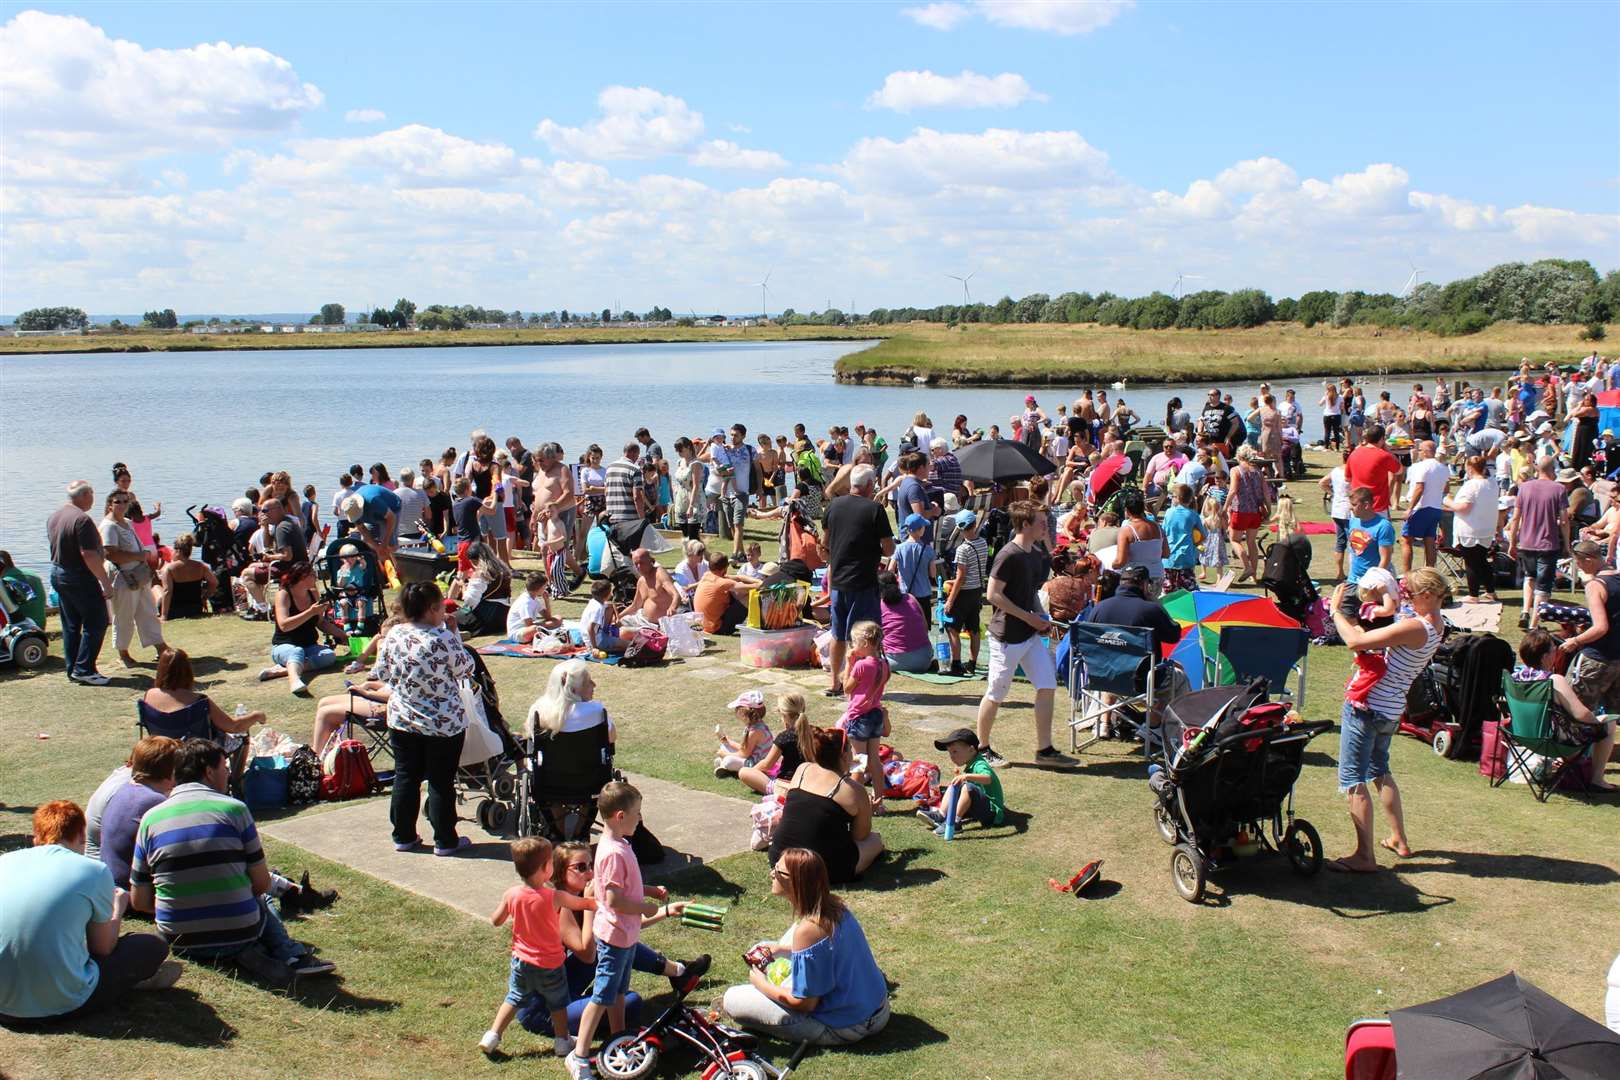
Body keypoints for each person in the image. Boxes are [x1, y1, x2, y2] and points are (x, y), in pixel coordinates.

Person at [130, 739, 333, 982]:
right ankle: (289, 954)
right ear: (208, 772)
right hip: (240, 933)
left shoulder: (150, 820)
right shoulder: (235, 810)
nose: (228, 773)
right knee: (262, 896)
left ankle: (258, 954)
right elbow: (259, 884)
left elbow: (139, 900)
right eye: (224, 767)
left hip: (179, 939)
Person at [0, 801, 175, 1022]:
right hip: (63, 1002)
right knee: (152, 946)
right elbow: (102, 948)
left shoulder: (4, 862)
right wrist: (117, 908)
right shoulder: (93, 870)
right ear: (82, 835)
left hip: (4, 1006)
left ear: (36, 838)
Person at [1328, 568, 1447, 872]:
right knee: (1380, 770)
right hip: (1391, 708)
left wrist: (1335, 612)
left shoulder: (1416, 627)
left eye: (1411, 595)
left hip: (1367, 707)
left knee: (1353, 779)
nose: (1407, 599)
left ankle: (1364, 856)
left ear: (1429, 596)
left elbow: (1357, 641)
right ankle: (1398, 839)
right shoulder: (1437, 624)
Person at [721, 847, 889, 1046]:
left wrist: (760, 983)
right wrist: (782, 950)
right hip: (878, 1009)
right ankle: (783, 982)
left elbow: (805, 1004)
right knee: (765, 946)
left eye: (779, 872)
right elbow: (828, 952)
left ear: (797, 882)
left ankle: (773, 988)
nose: (771, 874)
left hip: (849, 1027)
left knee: (732, 999)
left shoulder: (808, 930)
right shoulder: (834, 906)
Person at [566, 781, 668, 1080]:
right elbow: (612, 899)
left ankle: (619, 1037)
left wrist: (648, 890)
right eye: (637, 813)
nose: (640, 818)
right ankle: (580, 1054)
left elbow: (624, 886)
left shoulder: (620, 845)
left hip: (624, 936)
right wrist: (646, 908)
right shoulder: (612, 852)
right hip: (614, 936)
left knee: (618, 992)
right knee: (602, 995)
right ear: (620, 816)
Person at [373, 581, 474, 856]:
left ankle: (403, 835)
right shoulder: (441, 639)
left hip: (403, 719)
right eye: (441, 606)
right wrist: (454, 635)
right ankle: (445, 839)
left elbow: (382, 673)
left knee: (406, 777)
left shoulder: (394, 635)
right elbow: (466, 668)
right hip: (442, 723)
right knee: (441, 781)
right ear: (432, 609)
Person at [974, 500, 1075, 768]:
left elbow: (1030, 592)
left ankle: (1045, 749)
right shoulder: (1009, 554)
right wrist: (1028, 617)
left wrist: (1042, 617)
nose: (1046, 525)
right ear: (1026, 524)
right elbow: (992, 595)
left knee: (1047, 684)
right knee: (996, 693)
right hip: (1006, 638)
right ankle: (982, 748)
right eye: (1041, 521)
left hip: (1029, 636)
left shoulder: (1035, 553)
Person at [479, 836, 597, 1058]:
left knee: (514, 997)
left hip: (522, 963)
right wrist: (593, 897)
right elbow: (585, 904)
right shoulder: (555, 896)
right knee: (558, 1002)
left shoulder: (512, 894)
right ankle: (562, 1041)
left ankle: (493, 1035)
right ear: (546, 868)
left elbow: (496, 920)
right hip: (551, 964)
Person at [769, 727, 884, 883]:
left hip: (779, 858)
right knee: (875, 840)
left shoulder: (803, 769)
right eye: (850, 749)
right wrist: (867, 811)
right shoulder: (854, 790)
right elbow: (860, 836)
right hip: (823, 869)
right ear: (844, 755)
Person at [821, 465, 895, 696]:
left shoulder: (833, 506)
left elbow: (825, 543)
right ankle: (858, 684)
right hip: (863, 582)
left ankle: (835, 682)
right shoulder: (874, 509)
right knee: (864, 637)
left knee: (838, 635)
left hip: (838, 582)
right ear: (871, 485)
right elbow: (889, 548)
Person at [1514, 629, 1616, 792]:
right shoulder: (1554, 680)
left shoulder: (1516, 678)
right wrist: (1597, 720)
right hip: (1554, 741)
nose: (1557, 651)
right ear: (1545, 656)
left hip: (1524, 736)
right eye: (1553, 649)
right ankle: (1597, 779)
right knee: (1609, 723)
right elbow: (1581, 715)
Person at [48, 481, 115, 684]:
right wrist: (105, 581)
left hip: (59, 572)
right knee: (97, 621)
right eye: (92, 494)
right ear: (85, 495)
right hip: (79, 576)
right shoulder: (82, 519)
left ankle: (74, 668)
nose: (93, 498)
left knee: (71, 624)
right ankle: (85, 668)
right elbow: (88, 555)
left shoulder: (55, 516)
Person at [95, 736, 180, 890]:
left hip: (113, 884)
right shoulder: (153, 801)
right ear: (170, 772)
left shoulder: (125, 790)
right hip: (132, 891)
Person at [101, 490, 169, 667]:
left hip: (139, 574)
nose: (123, 505)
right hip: (123, 576)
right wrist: (138, 556)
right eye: (118, 502)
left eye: (125, 501)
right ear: (110, 504)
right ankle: (123, 653)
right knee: (124, 615)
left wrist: (142, 558)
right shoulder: (108, 526)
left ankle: (160, 646)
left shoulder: (128, 523)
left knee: (147, 610)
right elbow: (111, 554)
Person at [259, 560, 344, 695]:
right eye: (312, 575)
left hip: (309, 646)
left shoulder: (313, 593)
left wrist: (341, 634)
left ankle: (284, 669)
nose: (315, 577)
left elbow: (320, 623)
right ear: (301, 577)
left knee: (329, 656)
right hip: (284, 646)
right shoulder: (283, 594)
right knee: (296, 651)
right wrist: (310, 612)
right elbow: (284, 625)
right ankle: (295, 681)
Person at [1509, 456, 1569, 630]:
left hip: (1526, 542)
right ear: (1553, 470)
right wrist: (1567, 544)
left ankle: (1525, 611)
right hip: (1548, 543)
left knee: (1530, 577)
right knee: (1543, 585)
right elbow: (1564, 521)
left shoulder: (1524, 488)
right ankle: (1534, 624)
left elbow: (1515, 518)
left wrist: (1513, 542)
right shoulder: (1559, 489)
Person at [1562, 540, 1620, 715]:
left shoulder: (1595, 586)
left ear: (1589, 559)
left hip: (1598, 659)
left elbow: (1601, 627)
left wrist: (1575, 640)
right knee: (1611, 716)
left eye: (1578, 562)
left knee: (1575, 709)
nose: (1578, 567)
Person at [839, 621, 892, 805]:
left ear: (866, 644)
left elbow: (846, 687)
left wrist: (849, 663)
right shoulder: (884, 664)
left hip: (858, 716)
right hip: (875, 714)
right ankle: (879, 799)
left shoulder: (861, 665)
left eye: (854, 642)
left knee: (858, 761)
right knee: (874, 760)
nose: (852, 646)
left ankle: (855, 801)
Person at [916, 726, 1005, 835]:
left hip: (992, 814)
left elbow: (988, 778)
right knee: (955, 784)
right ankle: (941, 815)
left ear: (971, 750)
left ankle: (954, 823)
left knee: (968, 788)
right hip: (979, 809)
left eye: (955, 752)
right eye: (950, 753)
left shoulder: (980, 764)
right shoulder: (972, 764)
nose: (952, 757)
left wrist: (966, 776)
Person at [1443, 455, 1502, 602]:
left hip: (1471, 528)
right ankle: (1490, 591)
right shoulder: (1492, 483)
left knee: (1471, 562)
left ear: (1469, 468)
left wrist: (1447, 500)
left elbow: (1463, 507)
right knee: (1482, 560)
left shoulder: (1472, 485)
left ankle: (1473, 594)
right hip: (1486, 527)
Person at [738, 692, 812, 796]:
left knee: (744, 772)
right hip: (810, 783)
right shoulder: (815, 732)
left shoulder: (784, 737)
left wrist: (753, 772)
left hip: (787, 784)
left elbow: (766, 765)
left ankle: (777, 793)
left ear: (784, 715)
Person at [942, 508, 986, 675]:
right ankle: (972, 663)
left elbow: (961, 577)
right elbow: (973, 571)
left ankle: (956, 663)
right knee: (974, 628)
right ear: (974, 524)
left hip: (963, 594)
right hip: (976, 591)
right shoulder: (982, 543)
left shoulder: (962, 549)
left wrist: (950, 601)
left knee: (953, 628)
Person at [1343, 486, 1396, 613]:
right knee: (1345, 615)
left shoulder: (1383, 526)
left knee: (1370, 621)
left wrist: (1373, 584)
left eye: (1354, 505)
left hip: (1372, 584)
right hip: (1353, 579)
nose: (1351, 507)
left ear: (1366, 505)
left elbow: (1385, 559)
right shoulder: (1353, 521)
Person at [1401, 441, 1449, 572]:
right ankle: (1430, 572)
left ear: (1427, 451)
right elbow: (1446, 488)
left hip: (1421, 508)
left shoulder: (1422, 467)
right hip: (1435, 508)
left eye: (1420, 450)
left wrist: (1410, 508)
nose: (1419, 452)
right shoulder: (1444, 468)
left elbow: (1419, 488)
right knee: (1430, 541)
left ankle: (1407, 574)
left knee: (1406, 540)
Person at [1226, 445, 1272, 583]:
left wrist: (1224, 507)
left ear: (1239, 456)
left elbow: (1233, 490)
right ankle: (1254, 576)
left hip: (1240, 510)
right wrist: (1268, 510)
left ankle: (1247, 567)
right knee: (1252, 542)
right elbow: (1266, 493)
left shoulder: (1236, 470)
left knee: (1235, 540)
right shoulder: (1257, 471)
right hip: (1255, 511)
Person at [1112, 488, 1169, 596]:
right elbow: (1166, 553)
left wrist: (1110, 564)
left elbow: (1120, 561)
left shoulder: (1126, 530)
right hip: (1157, 577)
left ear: (1127, 511)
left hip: (1135, 579)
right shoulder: (1158, 528)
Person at [450, 541, 512, 637]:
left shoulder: (481, 574)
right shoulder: (503, 569)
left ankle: (462, 633)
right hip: (503, 615)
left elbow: (470, 601)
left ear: (474, 560)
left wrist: (463, 586)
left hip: (486, 616)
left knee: (449, 618)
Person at [877, 570, 933, 674]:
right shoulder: (911, 598)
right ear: (897, 583)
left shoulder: (878, 606)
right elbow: (925, 628)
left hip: (893, 662)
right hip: (923, 660)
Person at [693, 553, 760, 635]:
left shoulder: (707, 575)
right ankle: (762, 623)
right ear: (725, 568)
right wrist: (764, 583)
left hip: (704, 626)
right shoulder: (722, 582)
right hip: (717, 629)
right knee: (748, 596)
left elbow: (739, 577)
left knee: (734, 593)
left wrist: (759, 582)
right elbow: (750, 587)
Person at [1346, 424, 1403, 517]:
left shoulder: (1354, 453)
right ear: (1381, 439)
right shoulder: (1384, 456)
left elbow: (1348, 478)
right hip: (1377, 506)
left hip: (1357, 505)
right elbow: (1399, 470)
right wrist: (1388, 451)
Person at [156, 533, 217, 620]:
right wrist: (204, 598)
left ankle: (155, 613)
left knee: (156, 587)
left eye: (173, 550)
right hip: (195, 609)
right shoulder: (201, 566)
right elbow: (214, 583)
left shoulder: (169, 568)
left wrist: (164, 616)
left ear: (178, 551)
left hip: (174, 611)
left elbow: (167, 591)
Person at [714, 689, 773, 777]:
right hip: (751, 756)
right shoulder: (754, 725)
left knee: (728, 761)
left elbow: (744, 754)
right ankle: (725, 766)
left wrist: (725, 754)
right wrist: (729, 741)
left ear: (742, 713)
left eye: (737, 709)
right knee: (725, 746)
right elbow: (744, 748)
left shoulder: (755, 731)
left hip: (756, 764)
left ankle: (725, 766)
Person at [603, 441, 649, 552]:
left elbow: (606, 491)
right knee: (633, 552)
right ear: (634, 453)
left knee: (617, 552)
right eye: (637, 455)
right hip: (630, 519)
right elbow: (637, 497)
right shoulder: (635, 470)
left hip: (612, 517)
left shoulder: (609, 468)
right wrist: (642, 519)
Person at [1161, 484, 1203, 594]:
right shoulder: (1193, 515)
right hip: (1186, 556)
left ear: (1178, 498)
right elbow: (1203, 534)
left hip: (1169, 557)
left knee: (1168, 591)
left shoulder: (1169, 513)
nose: (1172, 498)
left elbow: (1163, 531)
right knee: (1189, 591)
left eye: (1173, 496)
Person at [581, 578, 636, 654]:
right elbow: (590, 628)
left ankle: (609, 645)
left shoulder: (594, 602)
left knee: (609, 608)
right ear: (608, 594)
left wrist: (617, 618)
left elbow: (610, 604)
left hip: (594, 637)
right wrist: (594, 648)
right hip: (597, 641)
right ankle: (603, 648)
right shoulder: (598, 609)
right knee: (630, 645)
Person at [507, 571, 563, 644]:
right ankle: (547, 632)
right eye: (544, 587)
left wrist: (546, 600)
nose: (545, 589)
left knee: (558, 617)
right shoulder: (525, 602)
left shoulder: (534, 599)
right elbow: (529, 625)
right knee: (535, 628)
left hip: (530, 628)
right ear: (539, 588)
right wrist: (549, 624)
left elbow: (548, 617)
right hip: (518, 633)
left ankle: (546, 632)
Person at [628, 548, 681, 624]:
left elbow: (676, 595)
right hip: (644, 620)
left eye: (641, 563)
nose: (639, 567)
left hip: (663, 624)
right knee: (621, 624)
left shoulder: (660, 574)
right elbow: (635, 606)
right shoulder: (641, 581)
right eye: (636, 564)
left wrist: (672, 608)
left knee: (625, 632)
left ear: (651, 561)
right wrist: (618, 617)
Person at [669, 437, 705, 541]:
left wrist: (691, 506)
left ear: (688, 447)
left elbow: (696, 486)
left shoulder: (695, 464)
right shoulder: (680, 462)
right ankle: (697, 554)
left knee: (693, 536)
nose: (679, 453)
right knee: (685, 534)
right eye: (677, 451)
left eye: (681, 450)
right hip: (681, 497)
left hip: (694, 499)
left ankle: (697, 555)